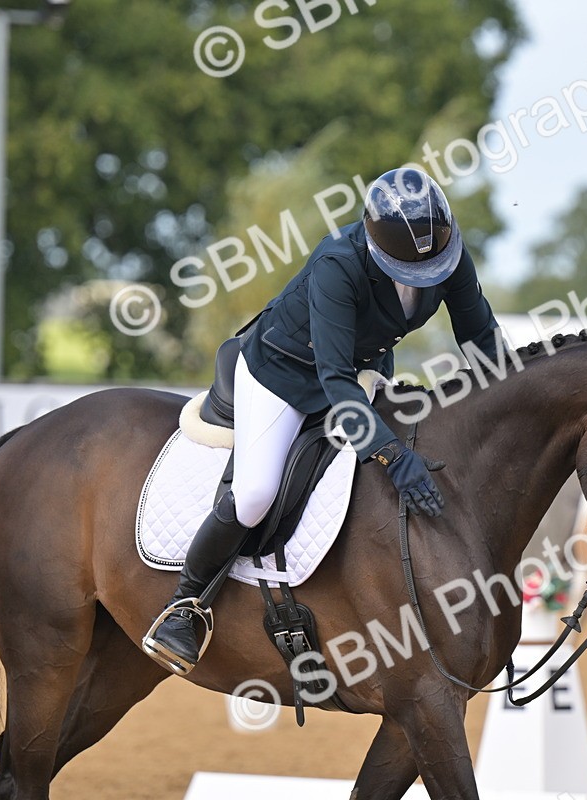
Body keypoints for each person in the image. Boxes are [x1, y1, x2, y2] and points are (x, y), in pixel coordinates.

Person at [143, 167, 505, 674]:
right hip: (285, 373)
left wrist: (510, 393)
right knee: (255, 493)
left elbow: (480, 337)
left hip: (363, 366)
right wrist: (392, 455)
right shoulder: (339, 263)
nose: (425, 278)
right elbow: (333, 382)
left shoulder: (445, 255)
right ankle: (185, 606)